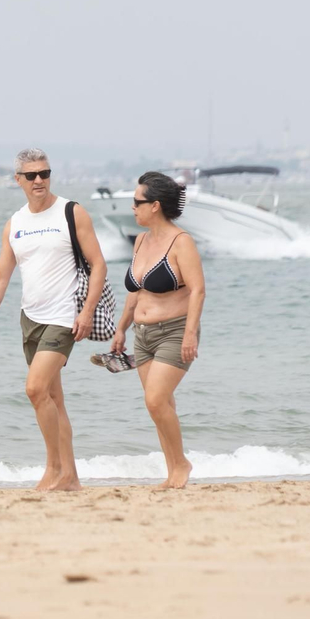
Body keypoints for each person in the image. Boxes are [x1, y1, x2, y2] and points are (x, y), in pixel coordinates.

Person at [0, 148, 107, 492]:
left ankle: (53, 470)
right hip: (31, 319)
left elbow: (99, 264)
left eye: (45, 173)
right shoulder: (15, 224)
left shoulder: (71, 212)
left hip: (63, 318)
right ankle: (70, 478)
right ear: (19, 180)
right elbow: (0, 277)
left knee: (35, 388)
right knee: (53, 400)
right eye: (32, 176)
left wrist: (86, 312)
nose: (39, 180)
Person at [108, 171, 206, 489]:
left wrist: (190, 334)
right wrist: (121, 329)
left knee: (154, 400)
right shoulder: (140, 240)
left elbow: (198, 290)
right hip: (143, 336)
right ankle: (173, 471)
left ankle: (182, 464)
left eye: (137, 202)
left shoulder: (182, 242)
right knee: (162, 405)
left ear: (155, 206)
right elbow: (136, 292)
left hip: (175, 332)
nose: (132, 207)